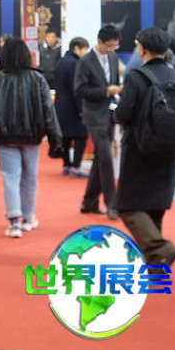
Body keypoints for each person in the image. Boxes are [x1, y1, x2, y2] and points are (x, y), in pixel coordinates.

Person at [0, 37, 62, 238]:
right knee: (30, 177)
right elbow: (48, 110)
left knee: (10, 178)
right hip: (32, 135)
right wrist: (55, 138)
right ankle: (28, 218)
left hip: (4, 136)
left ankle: (14, 223)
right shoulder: (37, 78)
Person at [115, 27, 175, 267]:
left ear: (142, 49)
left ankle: (162, 249)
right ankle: (156, 263)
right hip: (170, 149)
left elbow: (124, 113)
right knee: (154, 206)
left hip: (139, 149)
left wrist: (114, 114)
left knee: (128, 206)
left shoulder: (136, 76)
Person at [74, 24, 122, 220]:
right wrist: (105, 92)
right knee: (106, 157)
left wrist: (115, 92)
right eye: (109, 46)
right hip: (93, 115)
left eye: (115, 46)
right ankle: (112, 204)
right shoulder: (85, 61)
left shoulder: (113, 58)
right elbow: (80, 89)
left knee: (100, 158)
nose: (112, 49)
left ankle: (89, 202)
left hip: (110, 113)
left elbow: (114, 82)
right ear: (99, 41)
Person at [53, 37, 91, 178]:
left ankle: (67, 165)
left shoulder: (61, 62)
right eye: (84, 49)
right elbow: (76, 89)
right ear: (77, 48)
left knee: (65, 137)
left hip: (60, 105)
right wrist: (81, 108)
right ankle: (76, 167)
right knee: (81, 135)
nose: (85, 53)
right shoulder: (75, 63)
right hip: (73, 106)